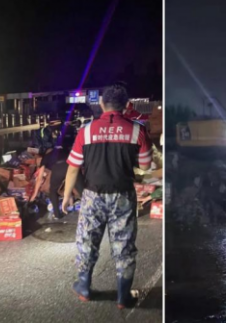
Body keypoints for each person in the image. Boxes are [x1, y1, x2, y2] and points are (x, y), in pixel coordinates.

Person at [62, 83, 152, 308]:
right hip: (123, 195)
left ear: (101, 104)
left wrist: (66, 196)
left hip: (92, 195)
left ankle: (84, 288)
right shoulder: (137, 130)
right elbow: (146, 165)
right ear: (127, 105)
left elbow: (73, 167)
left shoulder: (86, 131)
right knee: (124, 245)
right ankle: (123, 296)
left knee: (87, 241)